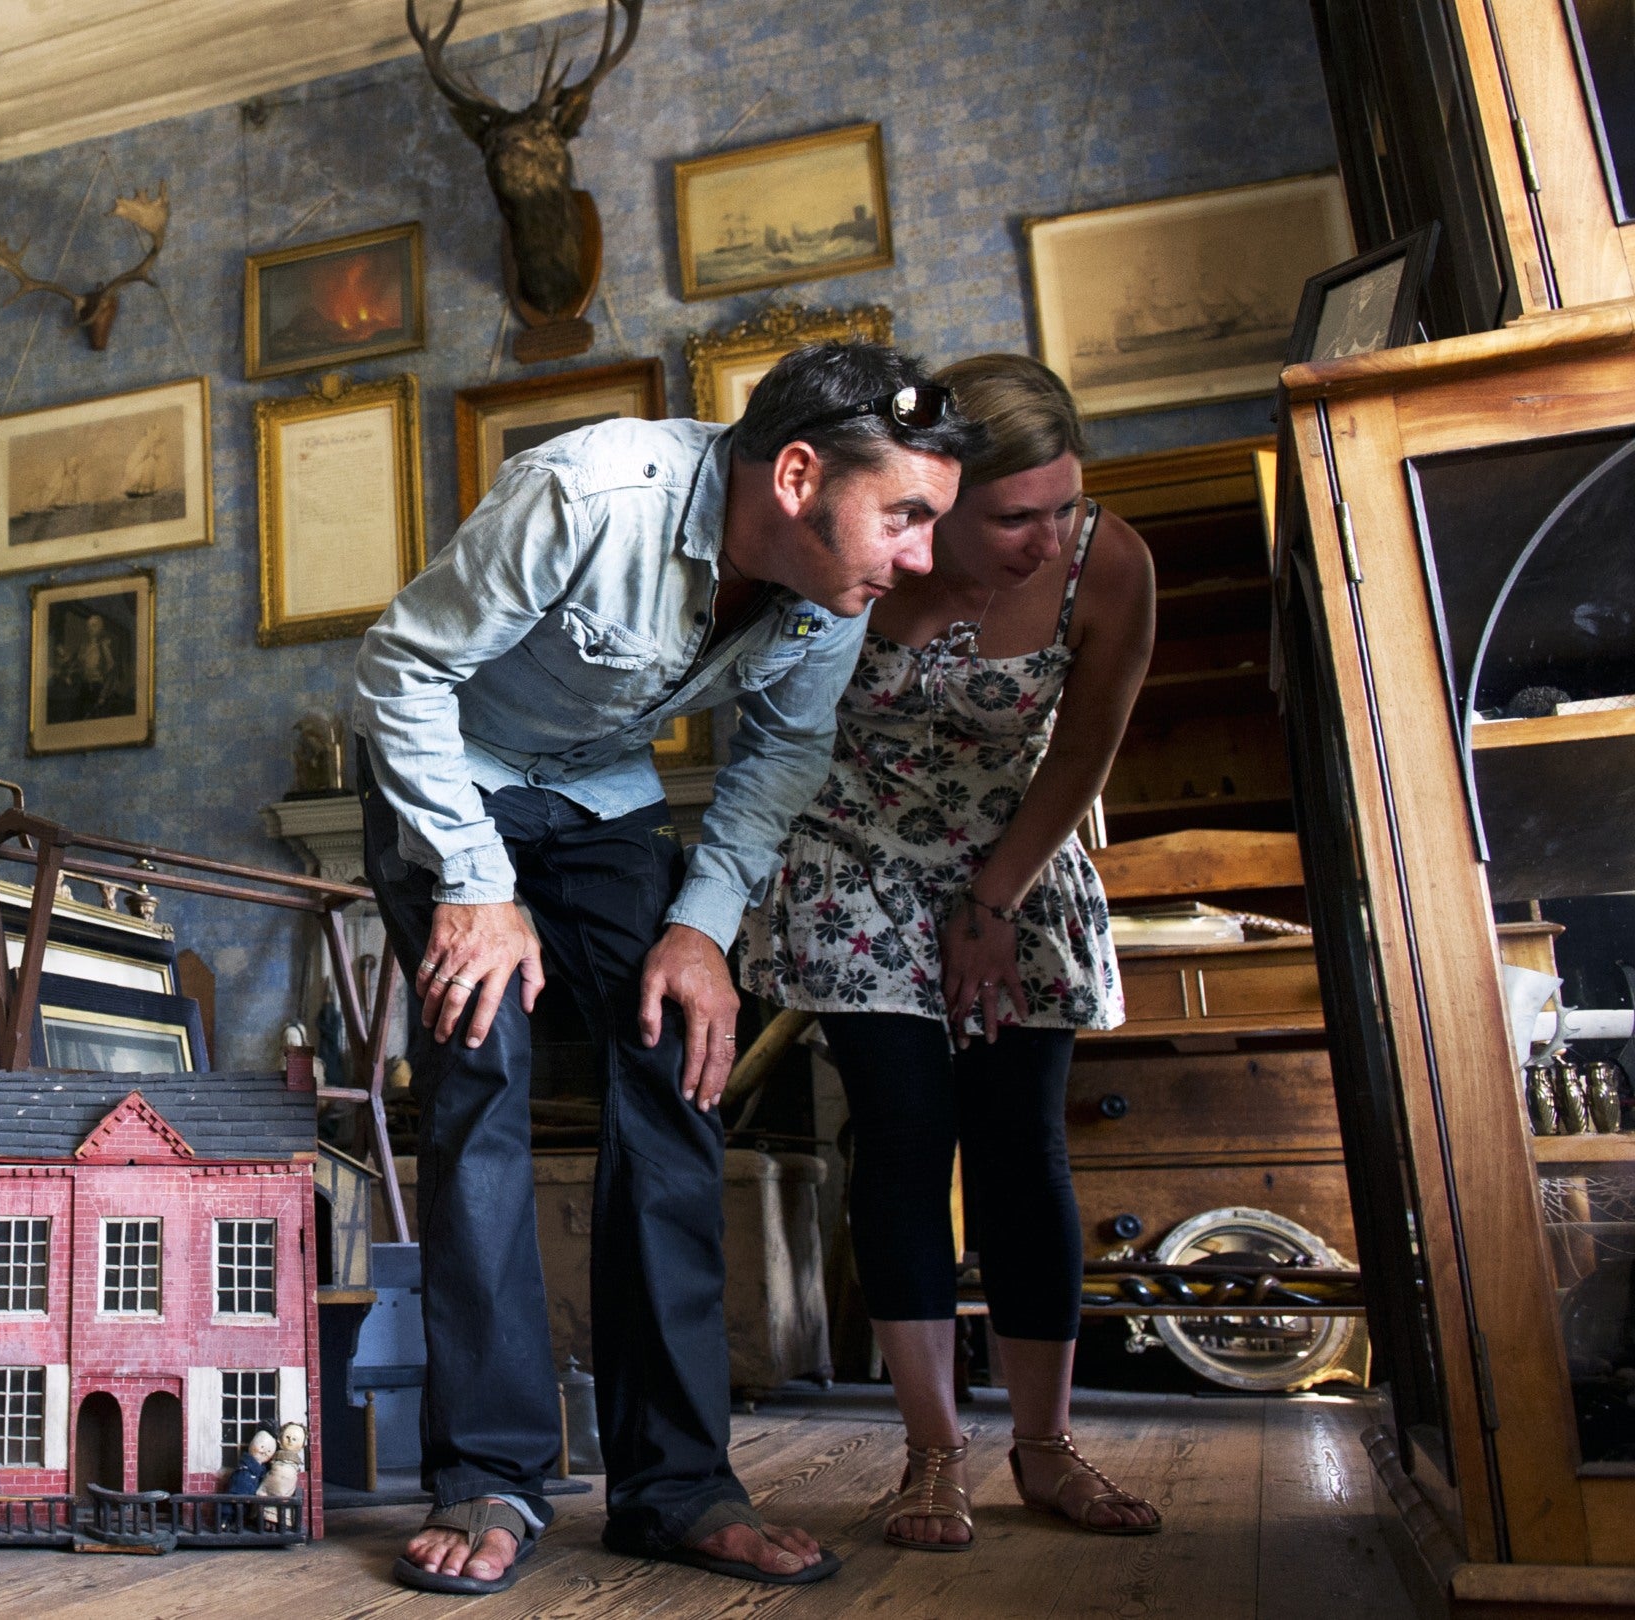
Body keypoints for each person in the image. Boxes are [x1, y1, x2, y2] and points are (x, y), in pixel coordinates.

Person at [353, 342, 976, 1595]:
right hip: (447, 774)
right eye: (903, 517)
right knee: (481, 1075)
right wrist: (475, 882)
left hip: (599, 798)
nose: (920, 557)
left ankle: (676, 1485)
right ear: (797, 474)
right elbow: (400, 670)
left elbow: (781, 759)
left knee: (679, 1069)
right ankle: (490, 1475)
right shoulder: (590, 494)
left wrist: (699, 927)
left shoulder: (825, 597)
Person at [737, 352, 1162, 1551]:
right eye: (1016, 515)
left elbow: (1085, 751)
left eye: (1065, 505)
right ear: (936, 494)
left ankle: (1047, 1446)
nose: (1048, 537)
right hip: (854, 856)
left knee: (1022, 1141)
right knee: (905, 1134)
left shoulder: (1107, 564)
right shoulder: (854, 551)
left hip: (1017, 849)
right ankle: (932, 1455)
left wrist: (995, 899)